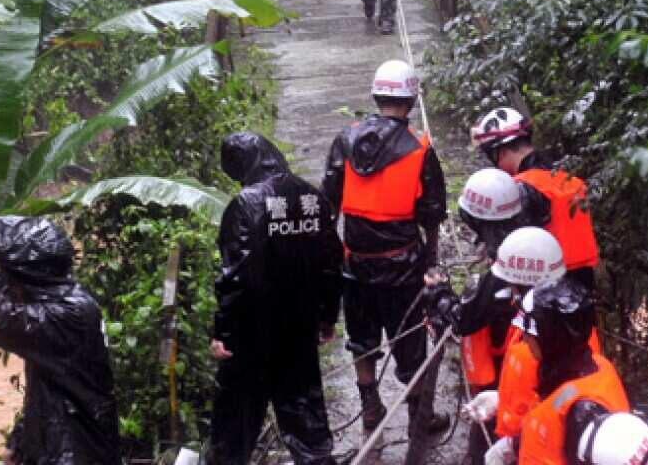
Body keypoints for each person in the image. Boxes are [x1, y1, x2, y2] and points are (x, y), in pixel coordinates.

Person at [323, 59, 448, 436]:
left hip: (356, 262)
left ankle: (370, 406)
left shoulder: (346, 140)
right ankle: (418, 416)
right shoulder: (419, 148)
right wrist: (431, 263)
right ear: (410, 100)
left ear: (377, 96)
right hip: (403, 264)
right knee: (410, 341)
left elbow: (328, 203)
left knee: (361, 338)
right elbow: (432, 213)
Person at [207, 132, 343, 465]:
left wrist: (223, 332)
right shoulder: (311, 196)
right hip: (299, 328)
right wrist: (327, 316)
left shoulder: (244, 205)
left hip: (251, 335)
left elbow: (235, 276)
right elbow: (331, 263)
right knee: (304, 414)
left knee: (236, 423)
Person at [0, 216, 120, 465]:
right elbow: (46, 392)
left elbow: (5, 322)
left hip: (79, 453)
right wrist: (18, 446)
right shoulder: (62, 305)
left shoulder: (70, 312)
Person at [424, 224, 565, 465]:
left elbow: (559, 404)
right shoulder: (560, 320)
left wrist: (512, 443)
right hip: (519, 424)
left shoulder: (541, 339)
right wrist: (502, 399)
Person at [485, 279, 648, 465]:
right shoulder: (584, 372)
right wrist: (514, 442)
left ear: (553, 338)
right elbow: (556, 412)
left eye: (531, 331)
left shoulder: (582, 415)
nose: (525, 337)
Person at [471, 107, 599, 291]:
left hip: (543, 290)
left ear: (501, 151)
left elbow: (505, 243)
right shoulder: (570, 180)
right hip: (583, 283)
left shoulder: (521, 189)